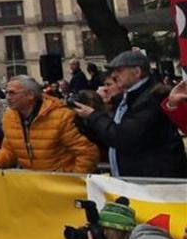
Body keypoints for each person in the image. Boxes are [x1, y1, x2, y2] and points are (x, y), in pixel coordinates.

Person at [73, 49, 187, 179]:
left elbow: (124, 137)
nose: (114, 75)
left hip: (154, 181)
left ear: (137, 72)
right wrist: (89, 115)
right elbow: (106, 138)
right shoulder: (125, 99)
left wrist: (93, 115)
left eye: (119, 71)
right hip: (135, 179)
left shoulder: (153, 98)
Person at [0, 75, 97, 174]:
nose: (7, 97)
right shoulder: (9, 118)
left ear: (30, 95)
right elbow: (10, 150)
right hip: (35, 186)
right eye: (7, 92)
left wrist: (73, 179)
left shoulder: (61, 116)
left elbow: (87, 152)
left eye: (12, 93)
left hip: (62, 186)